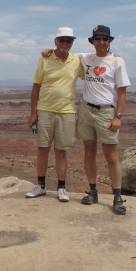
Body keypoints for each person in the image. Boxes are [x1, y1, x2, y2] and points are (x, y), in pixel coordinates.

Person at [76, 25, 131, 215]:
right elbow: (64, 55)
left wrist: (118, 116)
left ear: (109, 41)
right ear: (92, 41)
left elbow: (122, 91)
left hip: (106, 112)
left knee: (111, 156)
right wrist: (48, 51)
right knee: (89, 153)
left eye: (104, 39)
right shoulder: (85, 58)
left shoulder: (117, 61)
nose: (101, 42)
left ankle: (117, 196)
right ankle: (92, 191)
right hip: (86, 110)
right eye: (97, 39)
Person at [26, 27, 84, 202]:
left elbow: (95, 61)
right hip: (45, 110)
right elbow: (36, 86)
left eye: (69, 41)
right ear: (55, 41)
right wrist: (32, 113)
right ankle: (41, 186)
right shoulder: (45, 59)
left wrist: (112, 55)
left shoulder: (77, 61)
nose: (65, 44)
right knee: (42, 149)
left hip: (66, 111)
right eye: (62, 40)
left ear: (72, 42)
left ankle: (61, 188)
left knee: (61, 151)